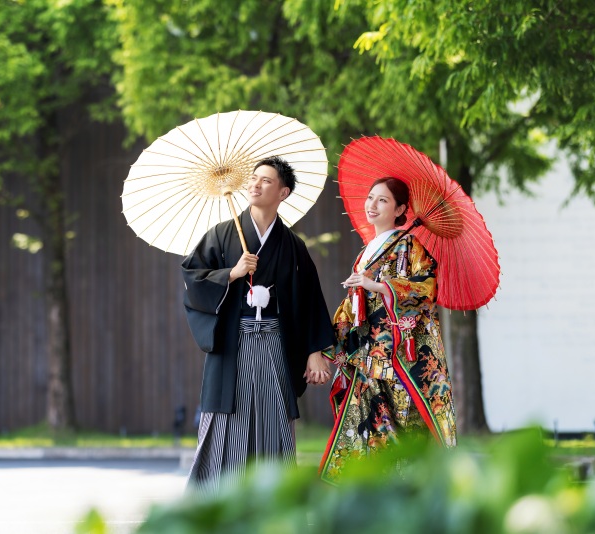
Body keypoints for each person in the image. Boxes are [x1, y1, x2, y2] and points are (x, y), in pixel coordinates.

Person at [182, 156, 335, 492]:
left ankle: (274, 501)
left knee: (274, 419)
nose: (254, 184)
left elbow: (310, 299)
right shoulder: (222, 236)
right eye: (252, 178)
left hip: (275, 344)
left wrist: (314, 352)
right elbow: (192, 279)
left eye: (265, 180)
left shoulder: (293, 246)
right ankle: (214, 502)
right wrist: (232, 274)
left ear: (284, 192)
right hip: (234, 343)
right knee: (225, 422)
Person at [318, 177, 457, 485]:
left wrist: (378, 286)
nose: (372, 205)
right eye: (370, 198)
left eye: (382, 200)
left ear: (401, 209)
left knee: (400, 425)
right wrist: (327, 341)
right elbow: (352, 307)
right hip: (367, 356)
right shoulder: (367, 251)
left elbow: (427, 288)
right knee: (367, 427)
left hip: (399, 357)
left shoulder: (409, 244)